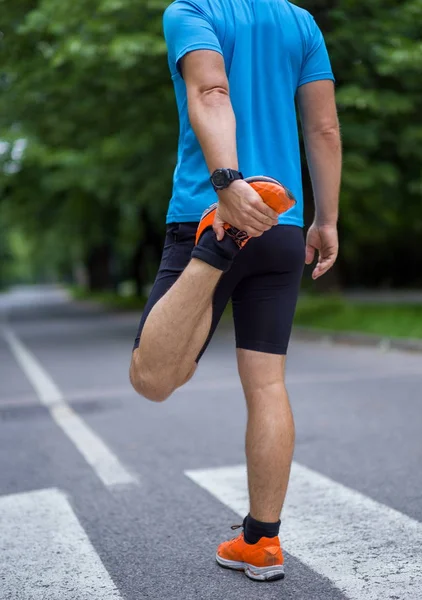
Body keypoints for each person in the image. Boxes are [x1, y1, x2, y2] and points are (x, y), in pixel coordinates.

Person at [130, 0, 341, 582]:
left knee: (152, 378)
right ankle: (262, 542)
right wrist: (328, 219)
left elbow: (210, 91)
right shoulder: (300, 21)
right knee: (268, 382)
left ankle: (217, 245)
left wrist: (227, 185)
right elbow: (322, 126)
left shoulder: (192, 10)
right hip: (282, 222)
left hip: (214, 207)